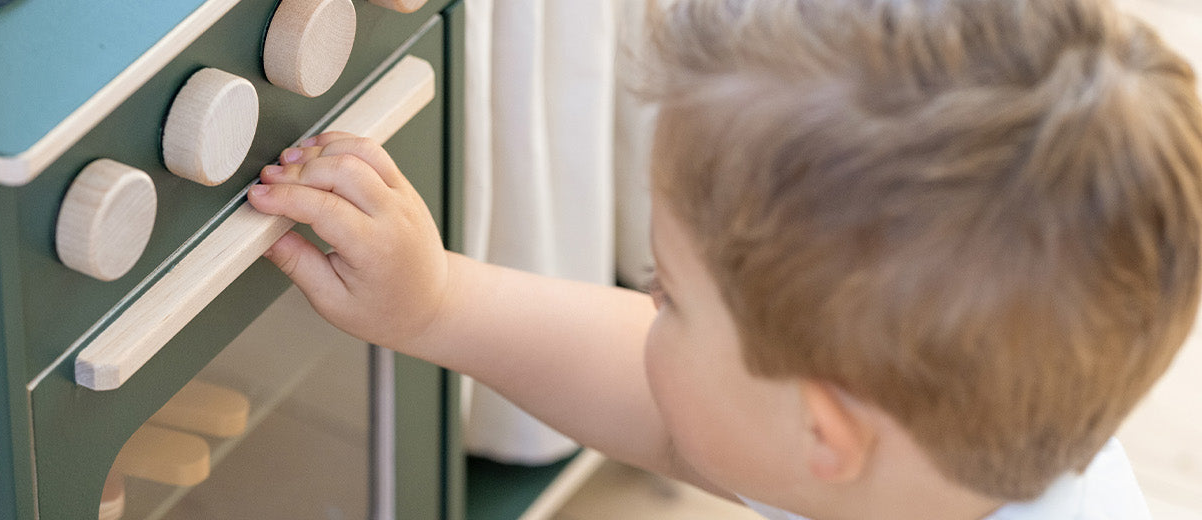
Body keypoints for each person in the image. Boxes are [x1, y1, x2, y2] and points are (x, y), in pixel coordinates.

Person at [243, 0, 1202, 518]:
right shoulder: (920, 446)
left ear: (824, 434)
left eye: (670, 296)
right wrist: (436, 302)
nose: (646, 301)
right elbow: (669, 414)